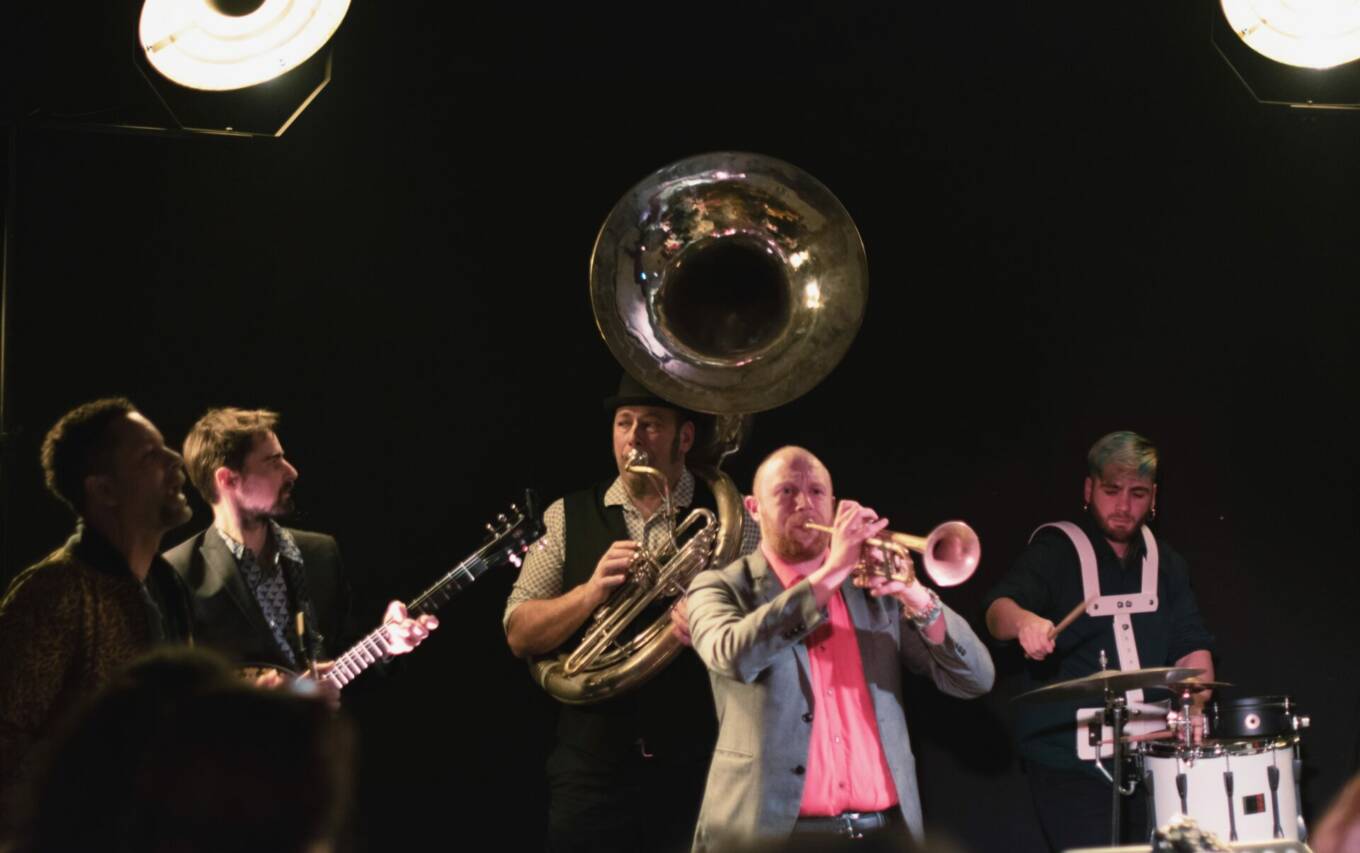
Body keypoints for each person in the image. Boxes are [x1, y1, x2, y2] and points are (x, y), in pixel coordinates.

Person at [684, 445, 994, 851]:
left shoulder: (873, 591)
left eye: (817, 492)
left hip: (881, 834)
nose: (804, 504)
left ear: (833, 505)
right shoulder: (718, 586)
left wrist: (914, 594)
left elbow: (974, 679)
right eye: (786, 492)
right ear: (753, 508)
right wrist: (832, 573)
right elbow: (732, 656)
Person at [503, 375, 760, 853]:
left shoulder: (733, 519)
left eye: (651, 424)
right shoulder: (566, 515)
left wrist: (711, 614)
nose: (633, 439)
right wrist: (589, 593)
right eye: (624, 423)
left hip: (697, 764)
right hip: (591, 773)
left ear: (685, 437)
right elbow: (519, 633)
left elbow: (767, 626)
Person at [982, 430, 1216, 851]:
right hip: (1070, 764)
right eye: (1111, 491)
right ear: (1089, 489)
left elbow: (1191, 647)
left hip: (1152, 758)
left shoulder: (1168, 564)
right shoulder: (1056, 552)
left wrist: (1193, 705)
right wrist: (1025, 623)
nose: (1123, 507)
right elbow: (998, 610)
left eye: (1137, 494)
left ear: (1154, 496)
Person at [0, 398, 194, 805]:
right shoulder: (55, 593)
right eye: (150, 455)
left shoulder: (167, 586)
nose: (175, 459)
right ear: (105, 490)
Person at [164, 408, 434, 688]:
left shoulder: (319, 552)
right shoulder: (177, 572)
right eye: (273, 461)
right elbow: (170, 694)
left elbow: (344, 654)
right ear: (227, 479)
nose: (292, 471)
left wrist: (387, 645)